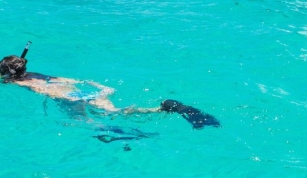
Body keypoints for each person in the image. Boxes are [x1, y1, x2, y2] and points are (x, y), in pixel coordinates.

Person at [0, 44, 220, 129]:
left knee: (84, 121)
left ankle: (111, 132)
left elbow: (43, 89)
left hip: (70, 98)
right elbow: (70, 80)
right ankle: (164, 108)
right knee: (114, 110)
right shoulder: (38, 73)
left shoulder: (18, 82)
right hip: (84, 90)